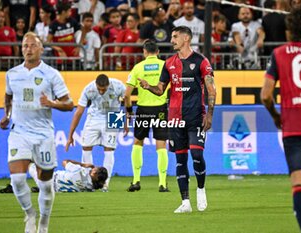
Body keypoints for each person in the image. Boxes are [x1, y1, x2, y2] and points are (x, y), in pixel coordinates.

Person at [0, 32, 74, 233]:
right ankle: (30, 213)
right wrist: (7, 115)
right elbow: (8, 98)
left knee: (46, 185)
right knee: (17, 178)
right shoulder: (12, 74)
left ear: (41, 49)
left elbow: (69, 104)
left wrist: (52, 103)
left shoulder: (51, 74)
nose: (28, 48)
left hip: (43, 135)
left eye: (33, 45)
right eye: (25, 45)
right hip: (19, 133)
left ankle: (44, 223)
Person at [138, 26, 216, 213]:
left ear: (186, 38)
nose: (171, 40)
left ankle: (201, 189)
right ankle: (185, 202)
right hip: (174, 118)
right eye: (172, 36)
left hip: (196, 116)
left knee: (197, 155)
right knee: (180, 160)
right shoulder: (169, 63)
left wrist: (210, 114)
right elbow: (160, 89)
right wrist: (149, 86)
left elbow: (211, 89)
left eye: (175, 37)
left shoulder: (201, 61)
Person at [260, 7, 301, 233]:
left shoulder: (279, 54)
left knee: (299, 184)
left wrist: (275, 116)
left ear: (289, 30)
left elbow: (265, 95)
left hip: (293, 128)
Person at [65, 74, 126, 192]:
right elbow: (78, 112)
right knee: (86, 147)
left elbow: (127, 100)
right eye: (99, 89)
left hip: (114, 116)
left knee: (109, 149)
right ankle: (89, 181)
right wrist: (70, 135)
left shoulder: (118, 86)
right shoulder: (89, 89)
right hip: (94, 117)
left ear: (109, 85)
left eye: (104, 89)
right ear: (96, 85)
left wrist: (126, 121)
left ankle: (105, 183)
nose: (101, 91)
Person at [124, 40, 169, 193]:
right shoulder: (165, 65)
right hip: (161, 109)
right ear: (158, 52)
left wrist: (129, 112)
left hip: (143, 110)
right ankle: (162, 184)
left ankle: (136, 180)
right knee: (161, 145)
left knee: (137, 143)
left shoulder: (138, 68)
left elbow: (126, 95)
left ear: (144, 52)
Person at [29, 160, 108, 192]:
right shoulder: (91, 188)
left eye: (95, 168)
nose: (93, 168)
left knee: (31, 163)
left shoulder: (80, 171)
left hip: (48, 179)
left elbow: (65, 162)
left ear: (94, 173)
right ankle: (41, 189)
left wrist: (83, 164)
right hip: (54, 190)